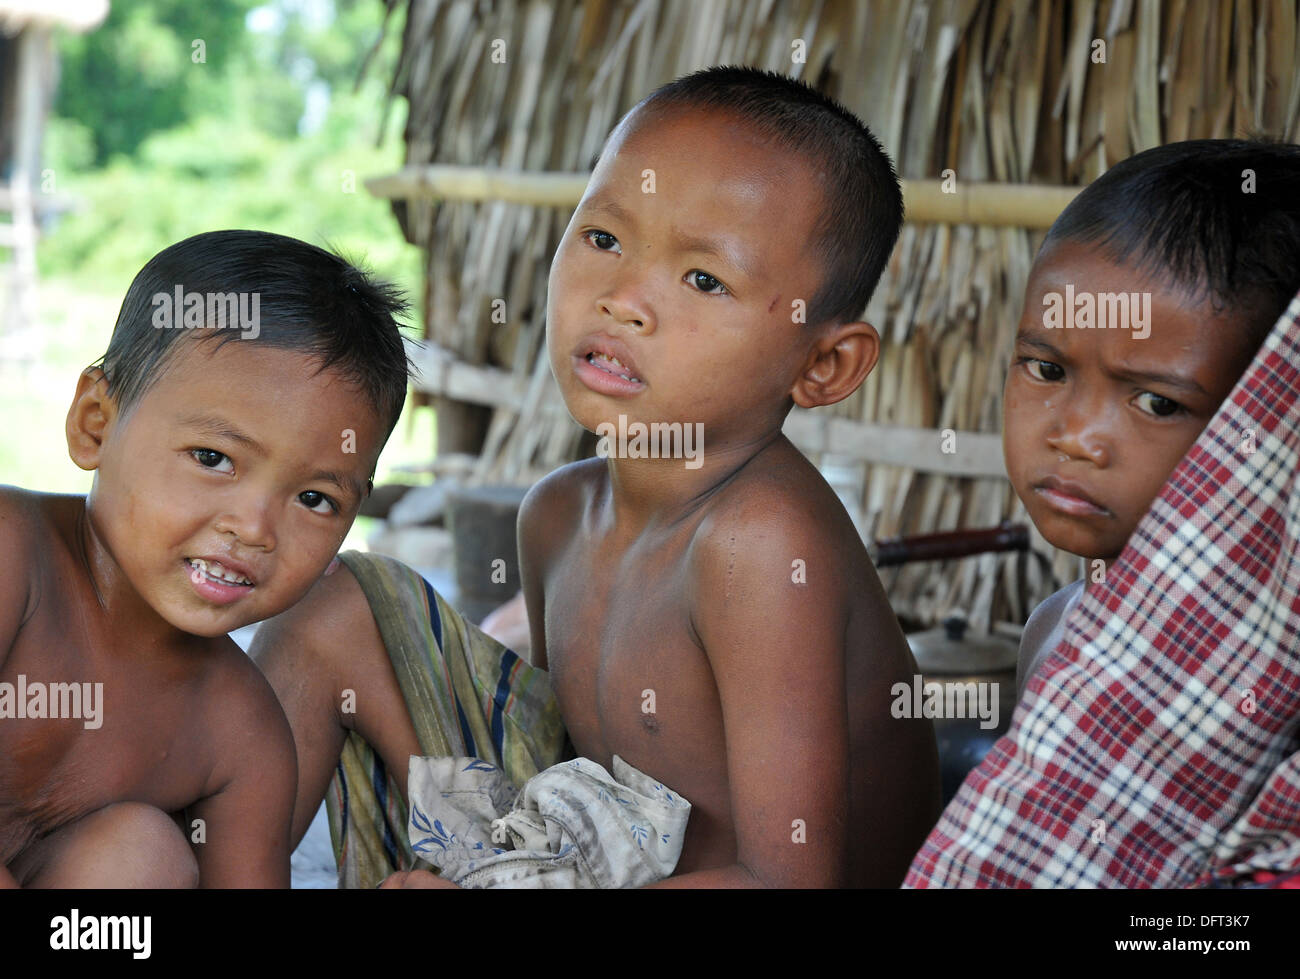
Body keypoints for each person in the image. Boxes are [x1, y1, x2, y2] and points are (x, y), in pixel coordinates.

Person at [254, 66, 941, 889]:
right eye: (605, 238)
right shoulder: (558, 513)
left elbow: (789, 880)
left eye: (703, 279)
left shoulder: (760, 544)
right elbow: (571, 782)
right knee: (332, 611)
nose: (623, 299)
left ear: (825, 363)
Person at [908, 139, 1300, 887]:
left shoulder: (1280, 688)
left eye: (1157, 402)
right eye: (1047, 368)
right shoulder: (1055, 629)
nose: (1074, 435)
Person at [0, 230, 410, 887]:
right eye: (214, 458)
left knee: (141, 855)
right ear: (95, 423)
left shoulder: (242, 734)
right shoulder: (13, 554)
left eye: (314, 497)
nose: (253, 527)